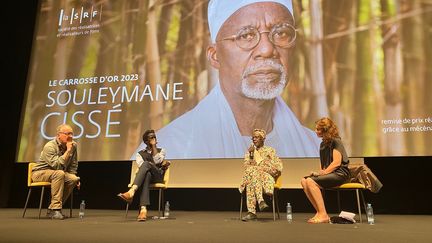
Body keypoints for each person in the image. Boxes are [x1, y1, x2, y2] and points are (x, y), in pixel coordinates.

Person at [132, 0, 320, 160]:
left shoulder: (315, 150)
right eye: (246, 35)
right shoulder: (172, 150)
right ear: (215, 56)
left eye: (281, 33)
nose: (267, 49)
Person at [300, 117, 351, 223]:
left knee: (310, 181)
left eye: (318, 129)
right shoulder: (323, 143)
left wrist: (323, 173)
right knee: (304, 181)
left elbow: (337, 162)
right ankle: (319, 212)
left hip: (340, 173)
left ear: (326, 130)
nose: (315, 131)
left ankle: (323, 214)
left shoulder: (336, 141)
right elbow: (322, 163)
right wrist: (318, 173)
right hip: (330, 173)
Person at [118, 129, 169, 221]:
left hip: (157, 176)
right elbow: (143, 169)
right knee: (147, 174)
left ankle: (132, 192)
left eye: (154, 137)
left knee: (146, 164)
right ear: (146, 142)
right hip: (148, 176)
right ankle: (143, 210)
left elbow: (157, 161)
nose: (154, 139)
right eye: (151, 138)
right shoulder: (139, 154)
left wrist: (153, 147)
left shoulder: (162, 150)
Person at [31, 124, 80, 220]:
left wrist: (73, 176)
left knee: (74, 179)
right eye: (67, 134)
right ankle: (56, 209)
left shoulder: (73, 145)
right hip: (39, 173)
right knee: (59, 173)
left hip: (56, 173)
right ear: (58, 135)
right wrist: (68, 151)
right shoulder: (49, 146)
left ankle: (51, 209)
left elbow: (73, 164)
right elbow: (57, 165)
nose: (70, 136)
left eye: (71, 134)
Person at [239, 129, 282, 221]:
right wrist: (251, 155)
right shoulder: (250, 152)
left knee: (252, 174)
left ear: (263, 138)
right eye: (253, 138)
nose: (254, 139)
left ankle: (251, 212)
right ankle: (261, 201)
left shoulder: (270, 151)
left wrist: (262, 168)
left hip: (266, 178)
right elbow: (247, 167)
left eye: (256, 137)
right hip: (253, 178)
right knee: (251, 174)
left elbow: (278, 167)